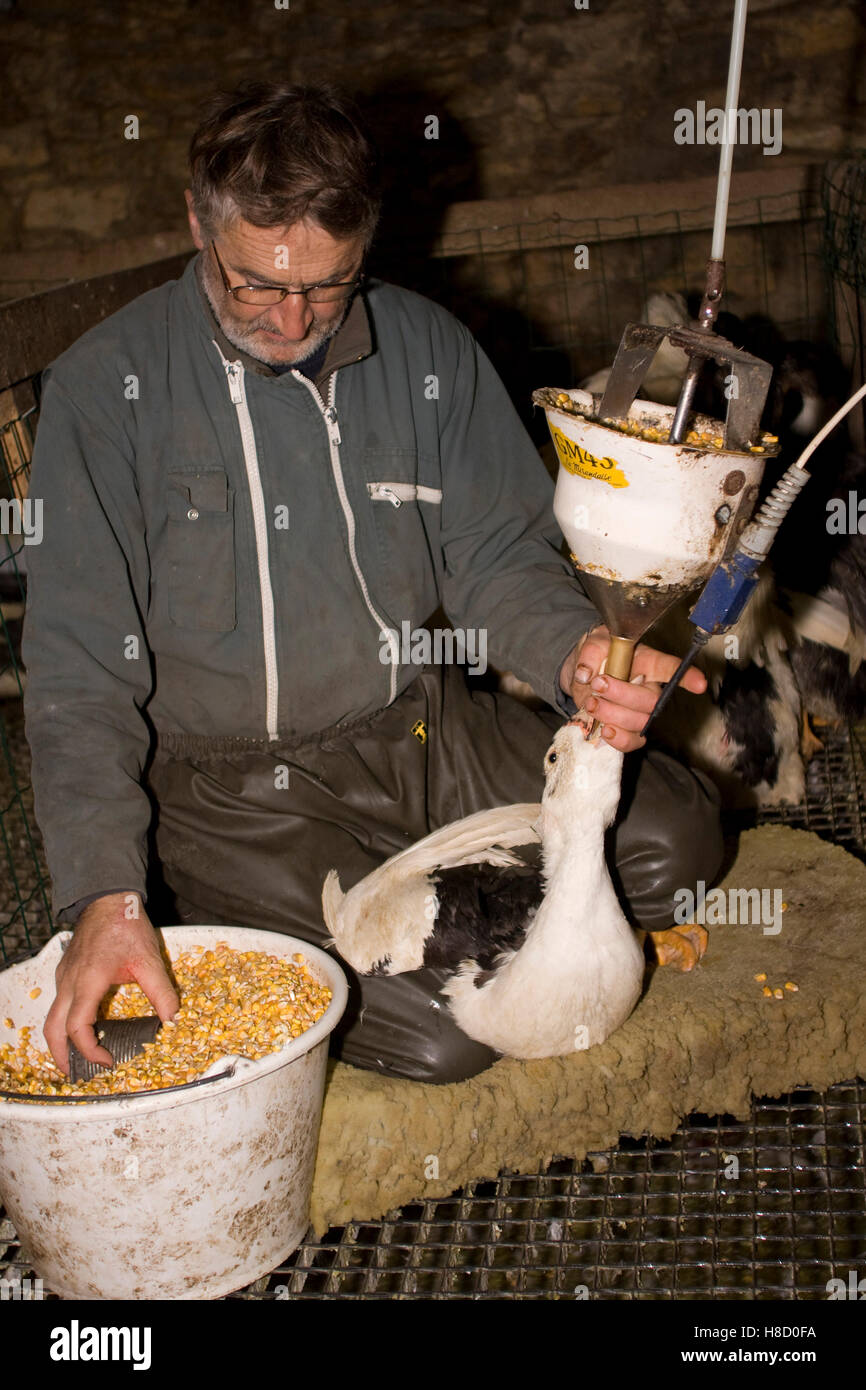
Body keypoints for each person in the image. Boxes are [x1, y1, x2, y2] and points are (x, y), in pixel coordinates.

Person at [23, 81, 722, 1085]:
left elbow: (495, 556)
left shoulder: (427, 349)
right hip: (236, 797)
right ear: (196, 224)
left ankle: (481, 906)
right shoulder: (106, 389)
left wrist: (569, 651)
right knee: (447, 1035)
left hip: (422, 733)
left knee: (677, 847)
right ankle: (406, 925)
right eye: (255, 284)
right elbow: (79, 674)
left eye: (328, 282)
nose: (292, 316)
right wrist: (104, 896)